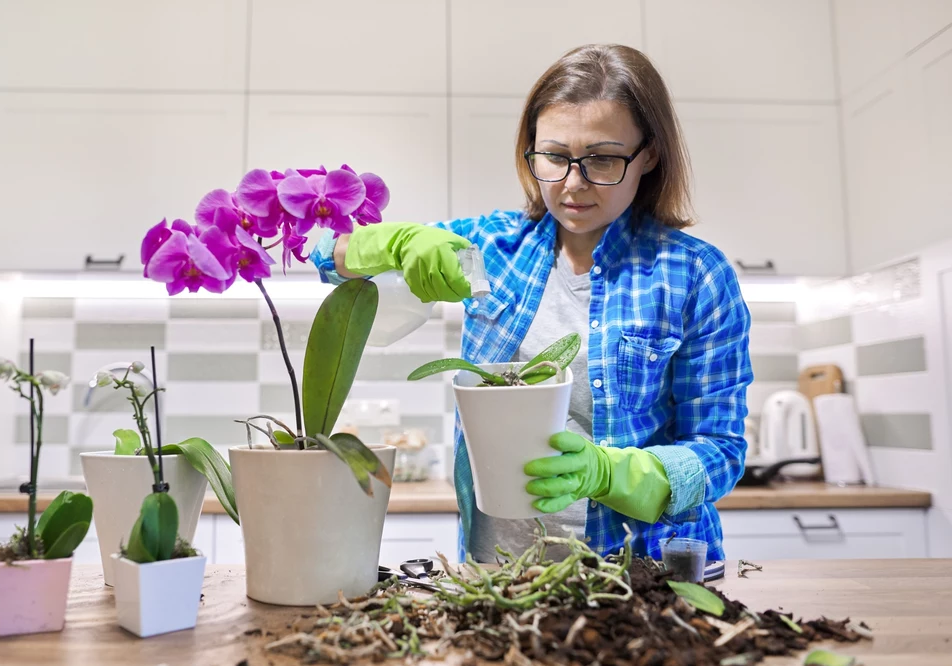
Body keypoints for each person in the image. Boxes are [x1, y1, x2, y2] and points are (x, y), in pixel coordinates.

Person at [310, 43, 753, 565]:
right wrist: (395, 243)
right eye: (555, 156)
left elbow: (720, 450)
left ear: (649, 155)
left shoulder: (695, 274)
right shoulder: (490, 250)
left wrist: (614, 474)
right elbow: (319, 252)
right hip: (498, 575)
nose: (572, 184)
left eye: (603, 159)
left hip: (641, 573)